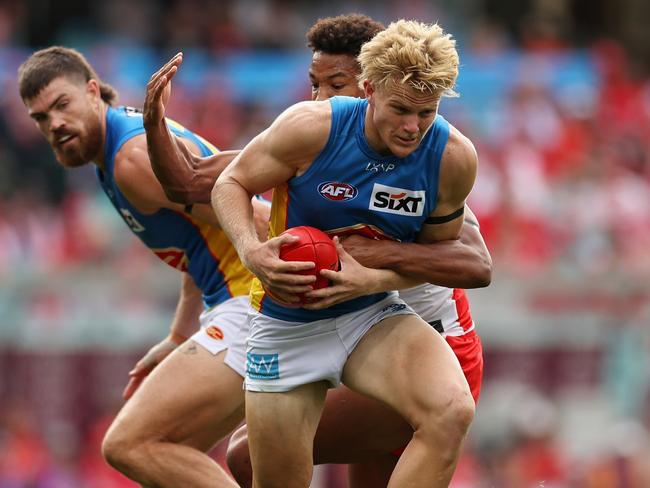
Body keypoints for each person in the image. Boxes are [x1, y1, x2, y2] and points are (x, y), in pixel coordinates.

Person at [144, 13, 490, 487]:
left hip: (376, 315)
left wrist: (376, 276)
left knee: (451, 411)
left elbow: (452, 259)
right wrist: (250, 251)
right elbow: (225, 183)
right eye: (401, 110)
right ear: (370, 89)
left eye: (425, 113)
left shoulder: (449, 156)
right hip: (288, 324)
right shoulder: (311, 128)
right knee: (251, 464)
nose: (413, 127)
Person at [17, 46, 265, 488]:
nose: (54, 124)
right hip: (238, 298)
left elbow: (251, 212)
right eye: (40, 118)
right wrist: (177, 335)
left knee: (130, 444)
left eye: (61, 105)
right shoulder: (117, 149)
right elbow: (197, 243)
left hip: (254, 301)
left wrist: (317, 270)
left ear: (93, 91)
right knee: (175, 453)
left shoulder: (130, 160)